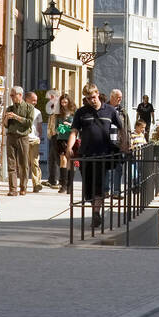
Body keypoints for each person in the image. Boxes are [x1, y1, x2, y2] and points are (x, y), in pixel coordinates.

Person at [67, 83, 126, 229]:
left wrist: (124, 145)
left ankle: (96, 213)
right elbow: (74, 131)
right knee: (88, 186)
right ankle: (95, 209)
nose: (91, 100)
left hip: (103, 154)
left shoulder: (110, 111)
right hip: (86, 154)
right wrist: (69, 147)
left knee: (99, 185)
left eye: (93, 97)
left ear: (98, 93)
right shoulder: (81, 112)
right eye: (88, 98)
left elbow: (122, 129)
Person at [2, 86, 34, 196]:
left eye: (13, 95)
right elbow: (5, 125)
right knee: (11, 163)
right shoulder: (9, 108)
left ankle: (23, 187)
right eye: (10, 95)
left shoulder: (29, 107)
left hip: (23, 137)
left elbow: (29, 122)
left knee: (23, 163)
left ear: (20, 95)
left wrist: (16, 117)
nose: (11, 97)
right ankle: (12, 189)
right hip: (11, 136)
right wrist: (6, 118)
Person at [48, 93, 75, 191]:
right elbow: (56, 128)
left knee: (70, 162)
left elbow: (77, 127)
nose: (64, 104)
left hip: (71, 138)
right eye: (62, 102)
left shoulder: (74, 113)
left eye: (65, 102)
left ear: (69, 102)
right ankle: (63, 185)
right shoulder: (58, 114)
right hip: (61, 139)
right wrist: (61, 128)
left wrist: (69, 125)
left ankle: (69, 185)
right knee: (63, 160)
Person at [24, 91, 44, 192]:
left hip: (34, 139)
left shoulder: (38, 112)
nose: (35, 102)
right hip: (24, 139)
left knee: (35, 162)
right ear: (27, 99)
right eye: (33, 100)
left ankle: (36, 184)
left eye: (36, 100)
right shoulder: (22, 110)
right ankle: (24, 185)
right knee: (25, 163)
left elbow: (39, 126)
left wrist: (39, 135)